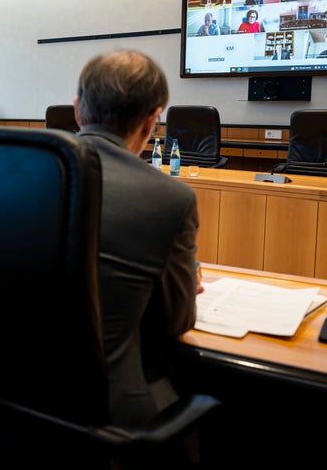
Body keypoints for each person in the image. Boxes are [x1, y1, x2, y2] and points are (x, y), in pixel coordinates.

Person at [73, 49, 203, 430]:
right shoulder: (171, 198)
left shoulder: (19, 172)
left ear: (77, 111)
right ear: (151, 122)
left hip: (8, 399)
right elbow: (177, 321)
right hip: (108, 421)